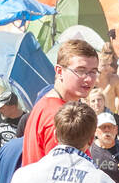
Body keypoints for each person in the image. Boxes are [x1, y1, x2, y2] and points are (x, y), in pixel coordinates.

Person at [23, 39, 100, 167]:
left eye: (93, 71)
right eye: (80, 70)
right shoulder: (57, 115)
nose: (89, 78)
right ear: (59, 71)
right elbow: (62, 177)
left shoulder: (48, 104)